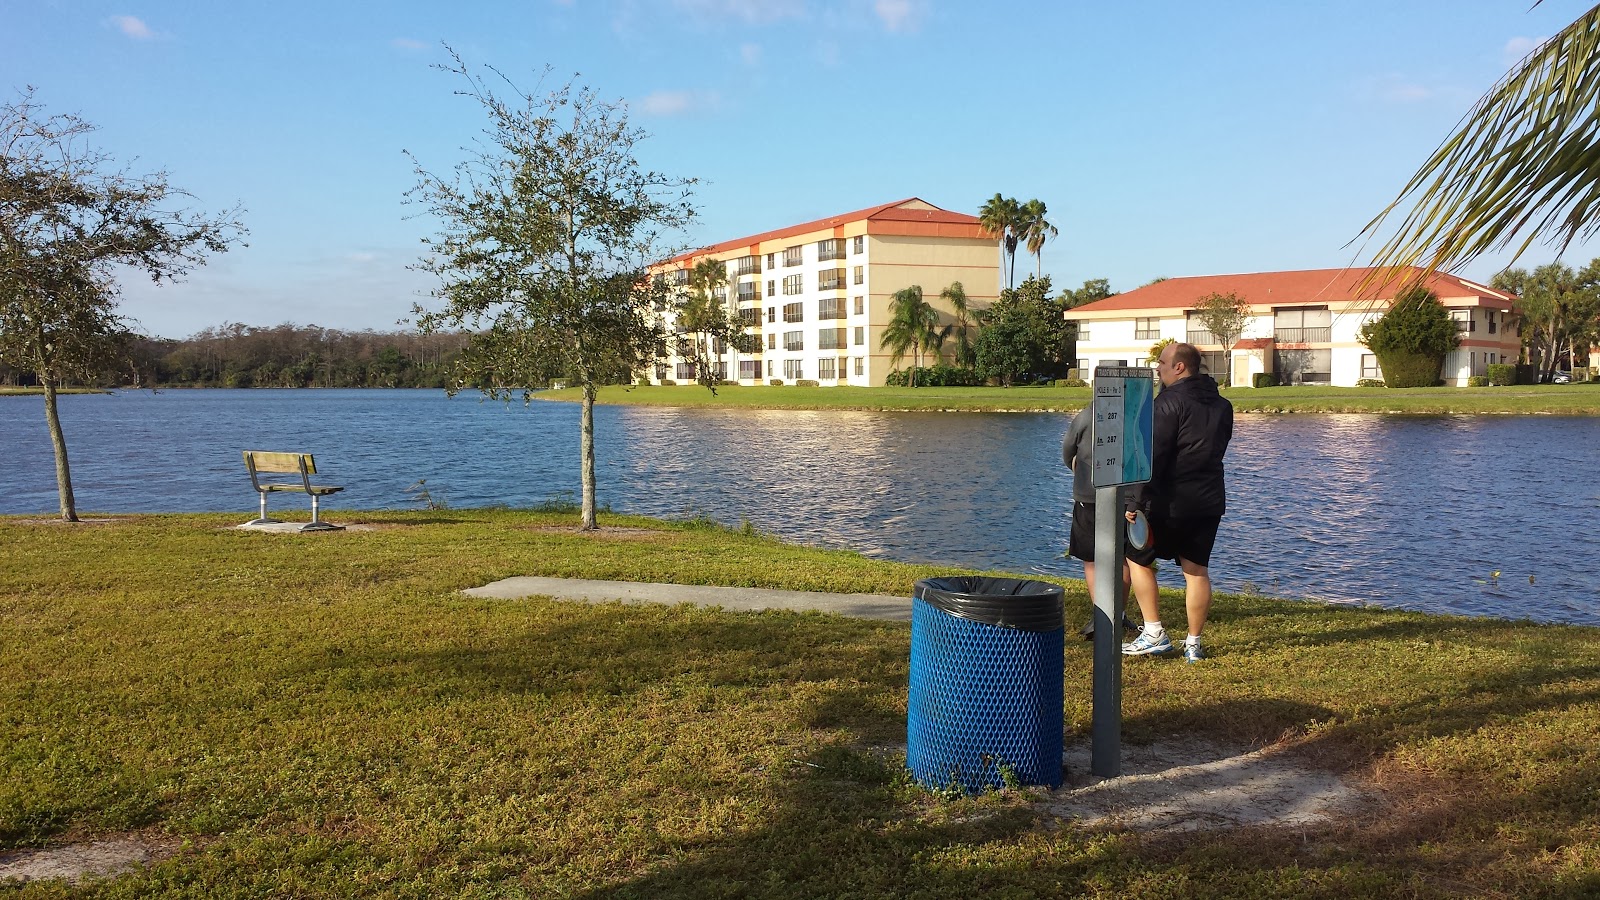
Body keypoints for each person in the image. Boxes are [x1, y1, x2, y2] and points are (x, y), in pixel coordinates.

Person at [1122, 342, 1234, 663]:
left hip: (1168, 501)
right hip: (1208, 501)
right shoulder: (1223, 405)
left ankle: (1154, 632)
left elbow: (1151, 456)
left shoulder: (1167, 403)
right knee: (1196, 571)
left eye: (1161, 363)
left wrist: (1134, 502)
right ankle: (1193, 644)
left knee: (1138, 559)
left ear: (1179, 367)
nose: (1158, 368)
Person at [1063, 404, 1136, 639]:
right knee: (1123, 557)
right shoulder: (1134, 414)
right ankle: (1120, 614)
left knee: (1091, 559)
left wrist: (1079, 471)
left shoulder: (1085, 415)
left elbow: (1067, 451)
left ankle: (1101, 617)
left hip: (1088, 496)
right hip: (1125, 496)